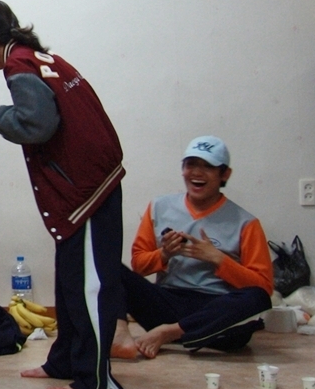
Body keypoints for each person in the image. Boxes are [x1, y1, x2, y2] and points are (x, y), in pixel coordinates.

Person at [0, 0, 126, 389]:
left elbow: (38, 123)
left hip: (85, 190)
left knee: (89, 287)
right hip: (90, 183)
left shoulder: (18, 65)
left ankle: (96, 383)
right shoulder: (41, 58)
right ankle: (65, 361)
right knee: (71, 280)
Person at [113, 136, 274, 359]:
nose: (197, 173)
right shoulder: (159, 207)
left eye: (208, 166)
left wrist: (218, 259)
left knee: (257, 298)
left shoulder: (246, 223)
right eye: (191, 165)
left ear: (225, 174)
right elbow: (139, 266)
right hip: (167, 302)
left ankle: (171, 333)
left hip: (215, 310)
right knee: (108, 266)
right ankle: (120, 335)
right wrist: (164, 254)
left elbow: (264, 287)